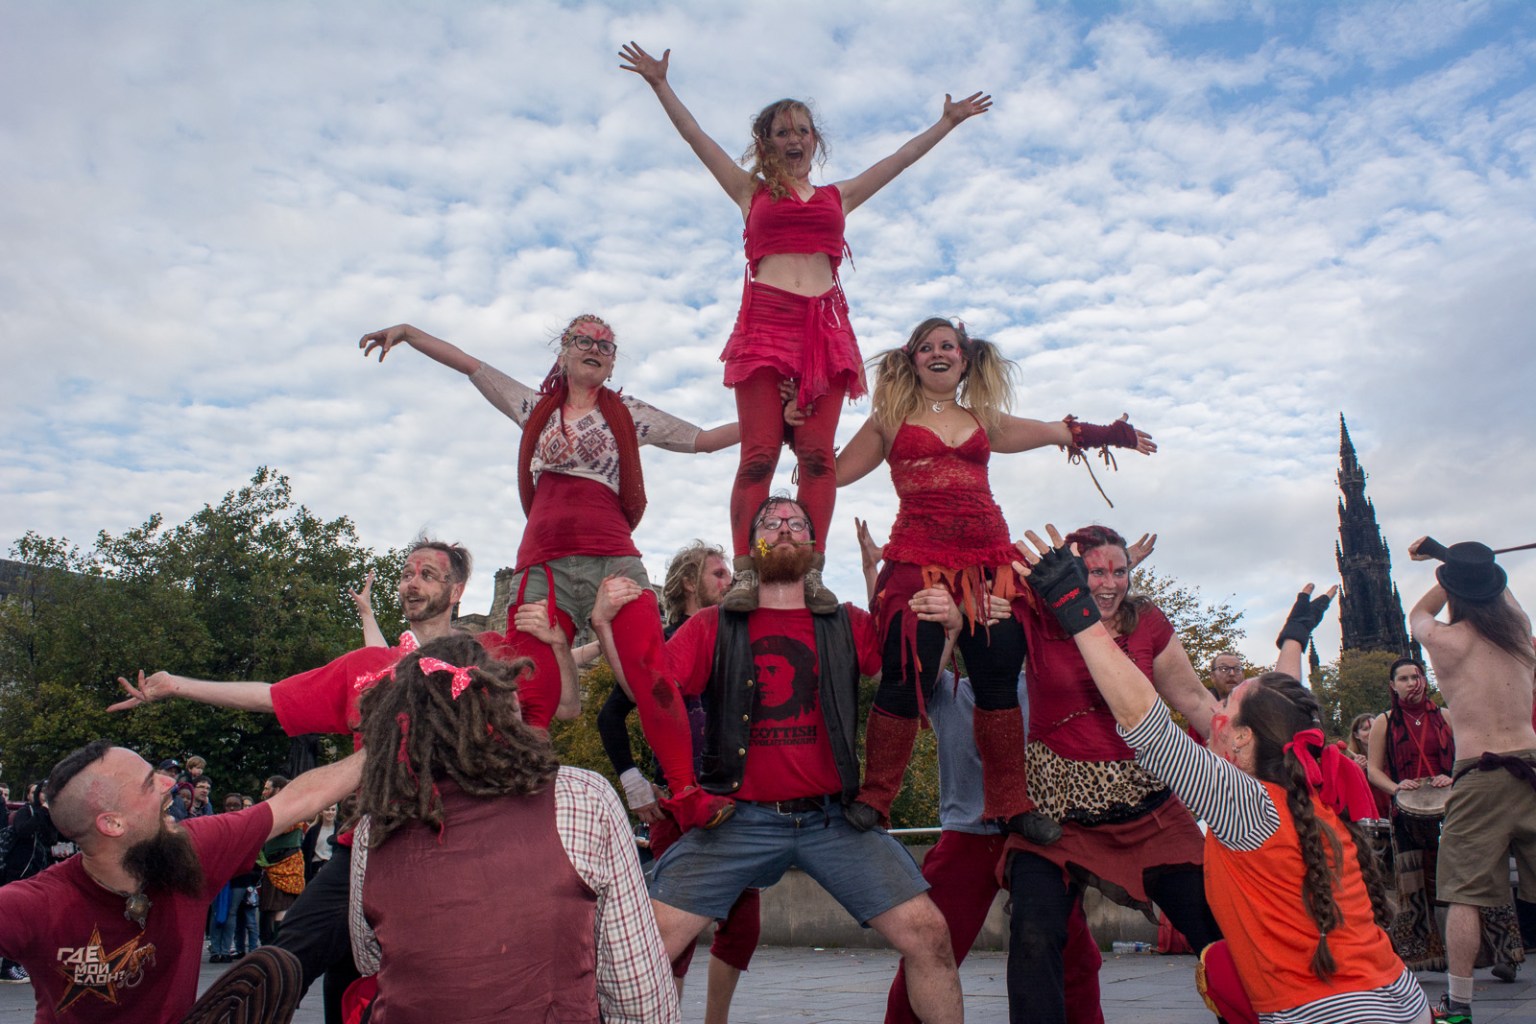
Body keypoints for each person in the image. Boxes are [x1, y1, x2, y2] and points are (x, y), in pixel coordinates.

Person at [619, 43, 991, 614]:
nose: (794, 139)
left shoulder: (837, 196)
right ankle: (746, 573)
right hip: (767, 324)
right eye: (781, 131)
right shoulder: (751, 192)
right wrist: (660, 85)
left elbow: (900, 159)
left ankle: (811, 573)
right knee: (760, 455)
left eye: (803, 130)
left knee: (819, 458)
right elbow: (696, 138)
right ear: (765, 143)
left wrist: (945, 123)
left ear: (815, 140)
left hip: (824, 333)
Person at [1014, 525, 1431, 1023]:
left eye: (1226, 710)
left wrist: (1077, 609)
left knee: (1218, 949)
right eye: (1098, 572)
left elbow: (1146, 723)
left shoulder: (1237, 803)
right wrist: (1295, 636)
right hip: (1400, 999)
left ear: (1241, 737)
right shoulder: (1307, 776)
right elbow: (1280, 708)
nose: (1215, 713)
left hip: (1323, 1012)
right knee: (1037, 932)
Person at [590, 495, 965, 1024]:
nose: (784, 528)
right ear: (752, 548)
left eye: (796, 523)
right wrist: (606, 626)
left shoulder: (849, 622)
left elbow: (911, 689)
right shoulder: (712, 626)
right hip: (738, 818)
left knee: (930, 935)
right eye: (771, 521)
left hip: (833, 818)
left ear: (813, 546)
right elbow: (648, 693)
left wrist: (946, 630)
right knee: (637, 948)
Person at [109, 538, 514, 1023]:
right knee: (284, 963)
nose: (411, 582)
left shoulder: (481, 660)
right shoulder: (368, 668)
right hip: (367, 847)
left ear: (456, 592)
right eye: (406, 573)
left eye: (427, 574)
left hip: (455, 852)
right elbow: (271, 695)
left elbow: (555, 691)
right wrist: (178, 685)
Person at [359, 318, 734, 833]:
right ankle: (524, 792)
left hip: (613, 561)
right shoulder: (534, 408)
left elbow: (708, 439)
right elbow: (472, 365)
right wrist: (409, 333)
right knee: (533, 685)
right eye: (584, 340)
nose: (595, 349)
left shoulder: (630, 415)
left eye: (606, 345)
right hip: (542, 567)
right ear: (563, 351)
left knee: (652, 673)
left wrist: (776, 422)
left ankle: (687, 793)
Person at [832, 317, 1155, 838]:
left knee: (999, 672)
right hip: (919, 557)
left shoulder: (983, 417)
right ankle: (875, 798)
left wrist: (1112, 434)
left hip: (987, 558)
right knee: (906, 667)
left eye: (949, 346)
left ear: (965, 357)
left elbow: (1056, 431)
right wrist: (796, 427)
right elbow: (832, 471)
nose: (939, 353)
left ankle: (1011, 803)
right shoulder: (888, 418)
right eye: (928, 347)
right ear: (911, 358)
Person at [347, 632, 678, 1023]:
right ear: (501, 706)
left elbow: (370, 956)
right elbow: (638, 994)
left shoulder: (376, 826)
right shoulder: (582, 797)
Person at [848, 521, 1104, 1024]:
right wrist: (874, 572)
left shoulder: (1032, 686)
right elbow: (905, 658)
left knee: (1075, 951)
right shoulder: (949, 693)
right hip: (967, 835)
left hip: (1032, 834)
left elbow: (1064, 630)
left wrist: (1099, 573)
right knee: (930, 948)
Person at [1002, 524, 1224, 1024]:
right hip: (1057, 815)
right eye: (1095, 571)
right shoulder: (1036, 617)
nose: (1110, 582)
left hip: (1148, 809)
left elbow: (1192, 699)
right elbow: (989, 583)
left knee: (1219, 925)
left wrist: (1257, 760)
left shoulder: (1146, 621)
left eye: (1120, 571)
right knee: (1033, 934)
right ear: (1073, 573)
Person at [0, 741, 362, 1024]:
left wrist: (390, 738)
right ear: (112, 824)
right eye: (148, 783)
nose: (170, 784)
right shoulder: (35, 904)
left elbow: (300, 799)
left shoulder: (191, 849)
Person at [593, 540, 758, 1024]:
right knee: (675, 930)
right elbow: (612, 714)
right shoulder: (665, 640)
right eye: (719, 574)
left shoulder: (734, 638)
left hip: (732, 801)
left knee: (743, 923)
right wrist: (635, 783)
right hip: (677, 805)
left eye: (730, 574)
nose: (729, 583)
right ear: (690, 582)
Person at [1406, 537, 1536, 1024]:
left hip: (1480, 773)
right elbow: (1496, 585)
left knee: (1464, 895)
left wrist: (1445, 565)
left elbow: (1420, 611)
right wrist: (1470, 563)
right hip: (1533, 766)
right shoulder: (1520, 630)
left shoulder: (1443, 640)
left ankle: (1459, 1005)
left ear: (1455, 588)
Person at [256, 775, 305, 943]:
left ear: (277, 790)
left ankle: (281, 946)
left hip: (287, 865)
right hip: (271, 866)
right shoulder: (272, 808)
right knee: (270, 911)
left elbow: (276, 827)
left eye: (267, 788)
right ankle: (272, 945)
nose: (264, 792)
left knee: (281, 907)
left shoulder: (290, 809)